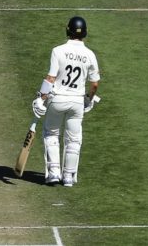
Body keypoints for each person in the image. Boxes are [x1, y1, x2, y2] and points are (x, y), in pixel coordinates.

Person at [32, 16, 101, 187]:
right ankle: (68, 176)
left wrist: (41, 98)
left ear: (67, 30)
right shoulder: (90, 54)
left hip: (58, 99)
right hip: (77, 102)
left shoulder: (58, 50)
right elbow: (94, 84)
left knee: (51, 134)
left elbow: (51, 77)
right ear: (84, 33)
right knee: (74, 140)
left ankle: (54, 173)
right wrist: (88, 100)